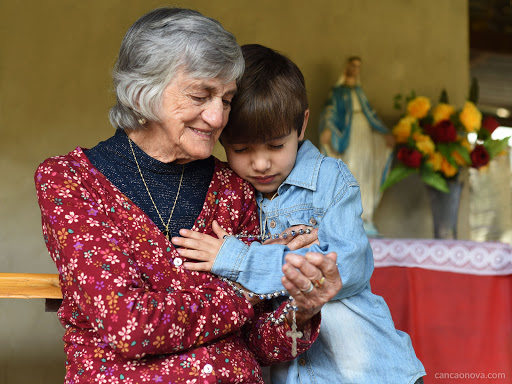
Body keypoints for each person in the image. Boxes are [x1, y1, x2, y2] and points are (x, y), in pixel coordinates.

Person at [34, 9, 342, 384]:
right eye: (200, 95)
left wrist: (303, 306)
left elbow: (258, 344)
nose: (217, 118)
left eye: (226, 100)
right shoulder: (71, 181)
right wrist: (249, 292)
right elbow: (129, 325)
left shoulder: (233, 188)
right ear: (142, 90)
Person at [173, 44, 426, 384]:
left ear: (302, 125)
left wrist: (241, 260)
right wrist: (302, 255)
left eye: (276, 146)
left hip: (366, 370)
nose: (260, 163)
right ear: (220, 135)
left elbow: (345, 267)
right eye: (241, 149)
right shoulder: (229, 193)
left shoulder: (330, 180)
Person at [318, 56, 394, 236]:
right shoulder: (338, 91)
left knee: (365, 173)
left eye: (358, 67)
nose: (355, 69)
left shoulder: (359, 92)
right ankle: (349, 215)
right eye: (353, 65)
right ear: (346, 67)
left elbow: (371, 114)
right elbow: (330, 111)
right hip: (348, 138)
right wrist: (328, 129)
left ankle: (365, 215)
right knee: (351, 171)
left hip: (365, 134)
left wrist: (384, 134)